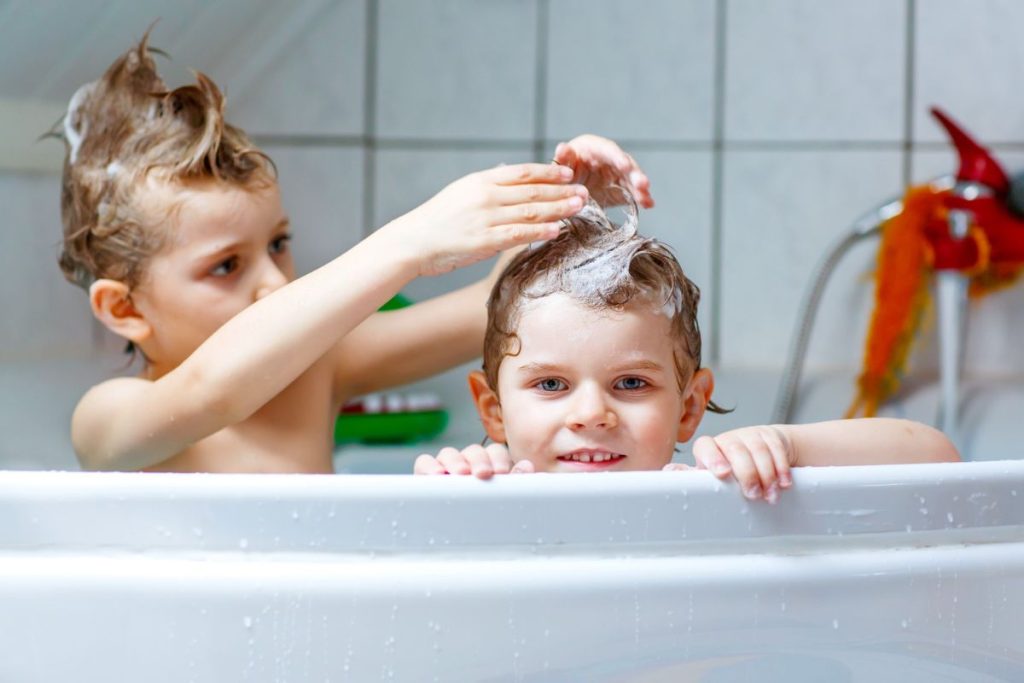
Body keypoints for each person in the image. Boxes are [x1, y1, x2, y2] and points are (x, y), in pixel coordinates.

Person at [58, 34, 647, 473]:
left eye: (279, 245)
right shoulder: (108, 415)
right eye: (225, 266)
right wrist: (408, 243)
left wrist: (556, 207)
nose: (273, 281)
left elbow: (491, 314)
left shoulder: (320, 368)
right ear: (125, 310)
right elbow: (211, 391)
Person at [413, 199, 960, 501]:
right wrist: (457, 495)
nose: (590, 415)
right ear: (492, 411)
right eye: (550, 385)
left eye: (631, 384)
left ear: (691, 407)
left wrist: (786, 445)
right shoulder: (490, 494)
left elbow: (938, 458)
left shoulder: (710, 489)